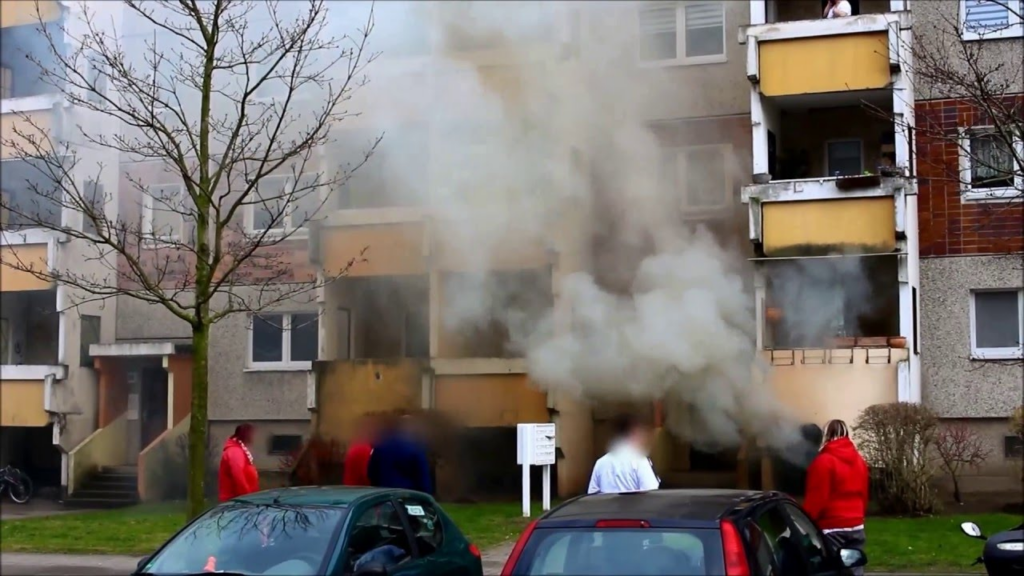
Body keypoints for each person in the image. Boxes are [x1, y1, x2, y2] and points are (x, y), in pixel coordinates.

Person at [804, 419, 869, 576]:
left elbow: (818, 498)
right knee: (854, 567)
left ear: (826, 436)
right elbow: (864, 494)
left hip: (832, 527)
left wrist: (805, 521)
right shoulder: (859, 461)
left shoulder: (823, 462)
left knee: (832, 569)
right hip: (856, 524)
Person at [588, 414, 660, 494]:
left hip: (606, 506)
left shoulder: (600, 463)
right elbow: (651, 493)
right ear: (633, 433)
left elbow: (591, 495)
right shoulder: (640, 461)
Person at [367, 413, 433, 494]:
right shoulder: (415, 447)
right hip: (407, 494)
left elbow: (371, 472)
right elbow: (423, 477)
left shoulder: (381, 445)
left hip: (383, 494)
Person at [219, 423, 259, 502]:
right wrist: (247, 497)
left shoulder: (239, 450)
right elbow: (238, 475)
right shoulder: (235, 451)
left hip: (240, 500)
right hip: (237, 502)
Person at [343, 414, 377, 486]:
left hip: (350, 487)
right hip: (360, 490)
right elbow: (366, 475)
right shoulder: (364, 449)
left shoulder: (356, 445)